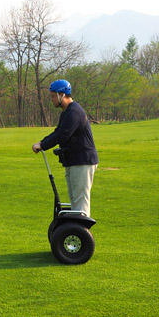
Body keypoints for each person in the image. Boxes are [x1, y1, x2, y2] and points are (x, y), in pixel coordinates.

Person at [31, 79, 98, 217]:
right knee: (75, 202)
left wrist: (42, 145)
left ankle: (82, 235)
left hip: (82, 161)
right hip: (74, 161)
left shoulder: (74, 112)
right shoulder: (67, 112)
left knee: (80, 203)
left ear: (62, 95)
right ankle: (74, 234)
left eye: (53, 96)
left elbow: (62, 135)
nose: (52, 99)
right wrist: (42, 142)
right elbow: (57, 132)